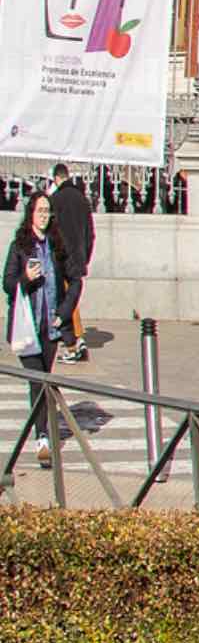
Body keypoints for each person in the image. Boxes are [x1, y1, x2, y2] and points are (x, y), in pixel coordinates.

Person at [5, 199, 65, 466]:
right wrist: (25, 278)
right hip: (27, 325)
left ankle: (42, 431)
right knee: (37, 381)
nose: (43, 215)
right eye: (39, 210)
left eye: (46, 211)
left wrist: (63, 315)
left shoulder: (54, 245)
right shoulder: (20, 246)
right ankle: (43, 437)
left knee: (44, 381)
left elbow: (67, 280)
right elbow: (7, 283)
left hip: (49, 327)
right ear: (30, 214)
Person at [46, 165, 91, 364]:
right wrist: (85, 257)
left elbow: (50, 230)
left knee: (64, 301)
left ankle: (73, 345)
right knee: (71, 299)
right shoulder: (83, 200)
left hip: (62, 258)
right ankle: (77, 339)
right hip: (78, 257)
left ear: (56, 178)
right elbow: (91, 234)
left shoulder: (55, 200)